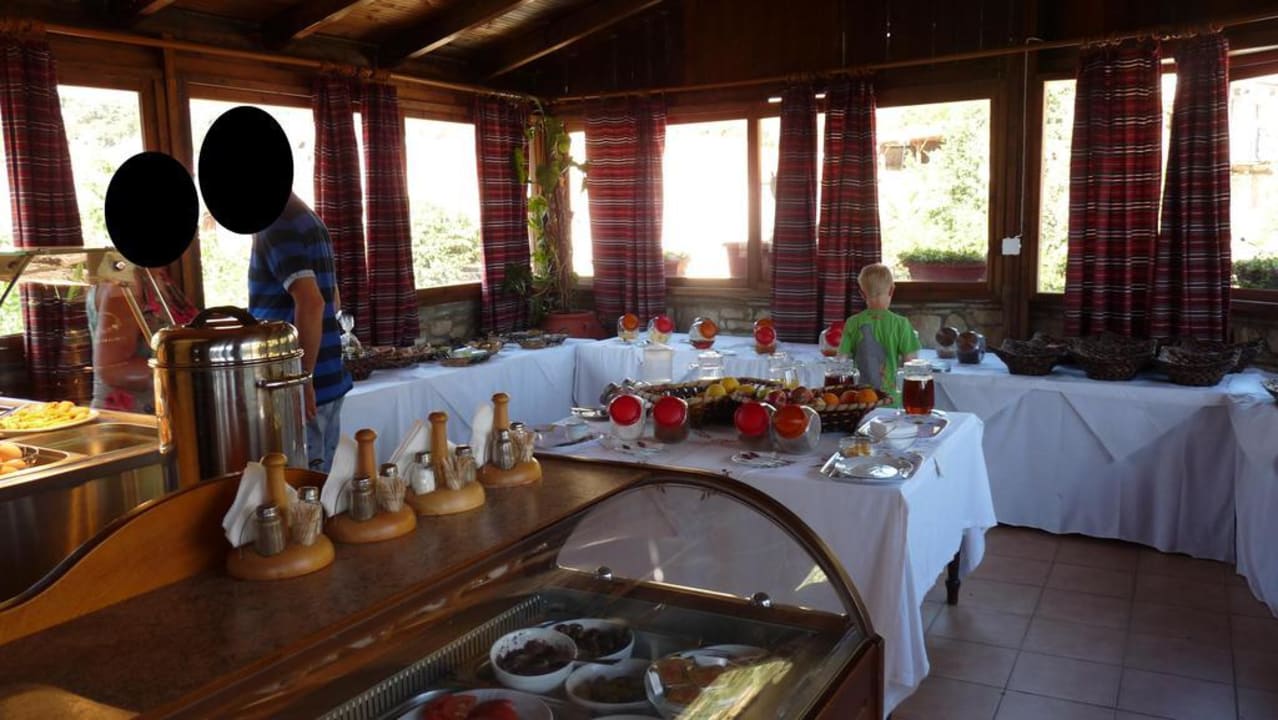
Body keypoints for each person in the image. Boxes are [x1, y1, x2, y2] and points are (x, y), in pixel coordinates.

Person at [249, 193, 352, 472]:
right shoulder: (308, 218)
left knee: (300, 495)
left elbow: (312, 302)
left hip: (298, 385)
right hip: (327, 378)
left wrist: (302, 377)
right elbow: (333, 300)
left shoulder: (275, 223)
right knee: (321, 487)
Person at [88, 267, 198, 413]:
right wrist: (190, 374)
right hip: (133, 423)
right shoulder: (124, 282)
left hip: (161, 413)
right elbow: (112, 369)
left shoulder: (153, 274)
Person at [837, 263, 921, 407]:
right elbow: (911, 365)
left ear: (862, 294)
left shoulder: (852, 323)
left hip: (861, 400)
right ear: (892, 290)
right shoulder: (901, 324)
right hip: (891, 399)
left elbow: (840, 362)